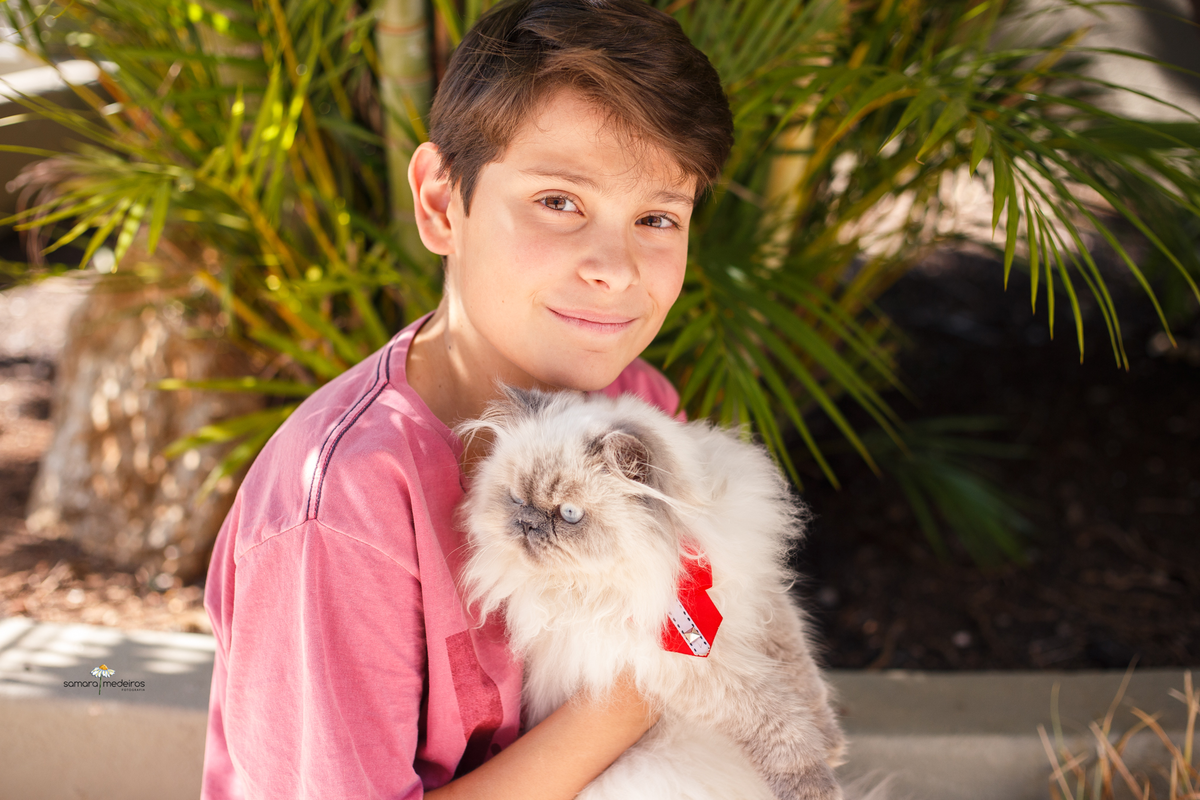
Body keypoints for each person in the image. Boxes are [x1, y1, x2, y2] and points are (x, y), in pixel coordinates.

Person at [199, 0, 733, 796]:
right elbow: (677, 654)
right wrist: (632, 696)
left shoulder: (635, 403)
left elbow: (699, 614)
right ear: (442, 203)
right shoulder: (343, 513)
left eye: (656, 217)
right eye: (559, 202)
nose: (616, 267)